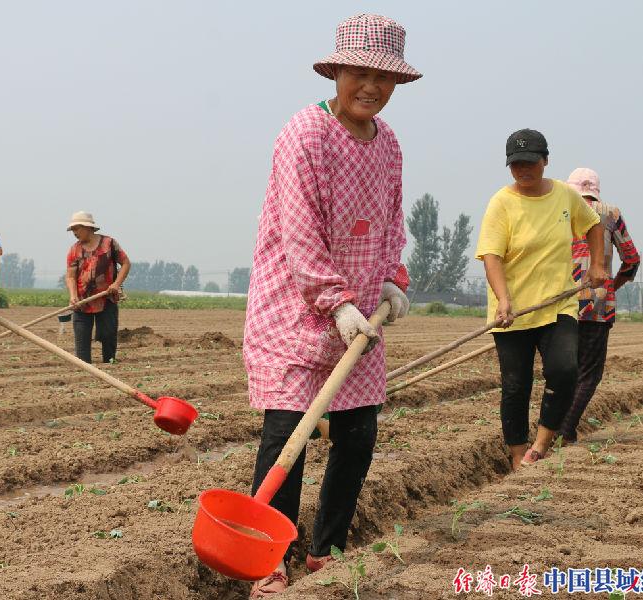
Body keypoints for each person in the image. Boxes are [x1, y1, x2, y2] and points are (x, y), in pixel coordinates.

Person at [243, 13, 417, 597]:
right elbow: (299, 230)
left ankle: (327, 549)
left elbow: (394, 219)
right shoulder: (305, 133)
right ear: (337, 71)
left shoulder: (388, 143)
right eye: (360, 73)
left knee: (358, 432)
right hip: (296, 306)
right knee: (286, 437)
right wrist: (332, 300)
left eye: (384, 78)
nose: (371, 87)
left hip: (361, 314)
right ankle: (270, 556)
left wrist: (392, 277)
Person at [476, 129, 606, 471]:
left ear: (545, 161)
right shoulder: (501, 202)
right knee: (515, 387)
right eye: (516, 164)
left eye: (530, 162)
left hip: (557, 306)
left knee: (565, 371)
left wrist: (598, 264)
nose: (523, 170)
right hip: (513, 311)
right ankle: (518, 456)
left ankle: (541, 443)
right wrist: (503, 300)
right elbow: (491, 256)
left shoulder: (564, 195)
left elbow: (593, 225)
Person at [559, 167, 641, 443]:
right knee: (588, 373)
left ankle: (553, 427)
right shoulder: (610, 213)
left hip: (558, 302)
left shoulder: (559, 207)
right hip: (596, 304)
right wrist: (611, 286)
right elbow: (631, 259)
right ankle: (565, 429)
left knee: (561, 369)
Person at [65, 211, 130, 364]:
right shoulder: (74, 250)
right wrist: (73, 296)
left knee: (108, 337)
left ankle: (110, 368)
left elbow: (126, 263)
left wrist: (116, 284)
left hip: (107, 298)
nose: (74, 233)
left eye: (77, 228)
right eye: (73, 229)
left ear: (88, 228)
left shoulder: (109, 244)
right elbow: (70, 276)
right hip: (82, 302)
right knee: (82, 352)